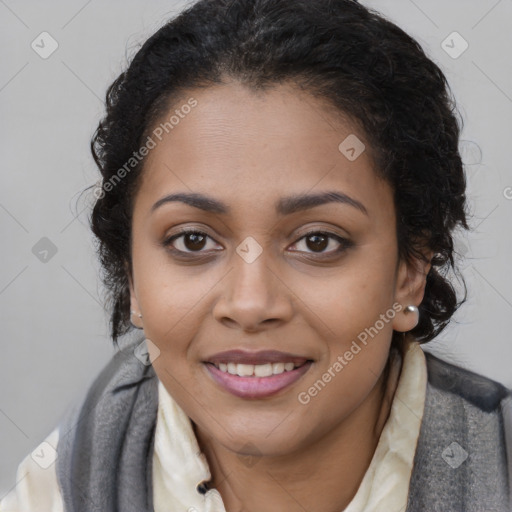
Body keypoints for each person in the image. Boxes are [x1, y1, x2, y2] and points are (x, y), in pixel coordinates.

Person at [1, 0, 510, 511]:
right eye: (193, 240)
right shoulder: (65, 485)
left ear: (410, 270)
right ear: (132, 275)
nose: (250, 304)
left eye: (317, 241)